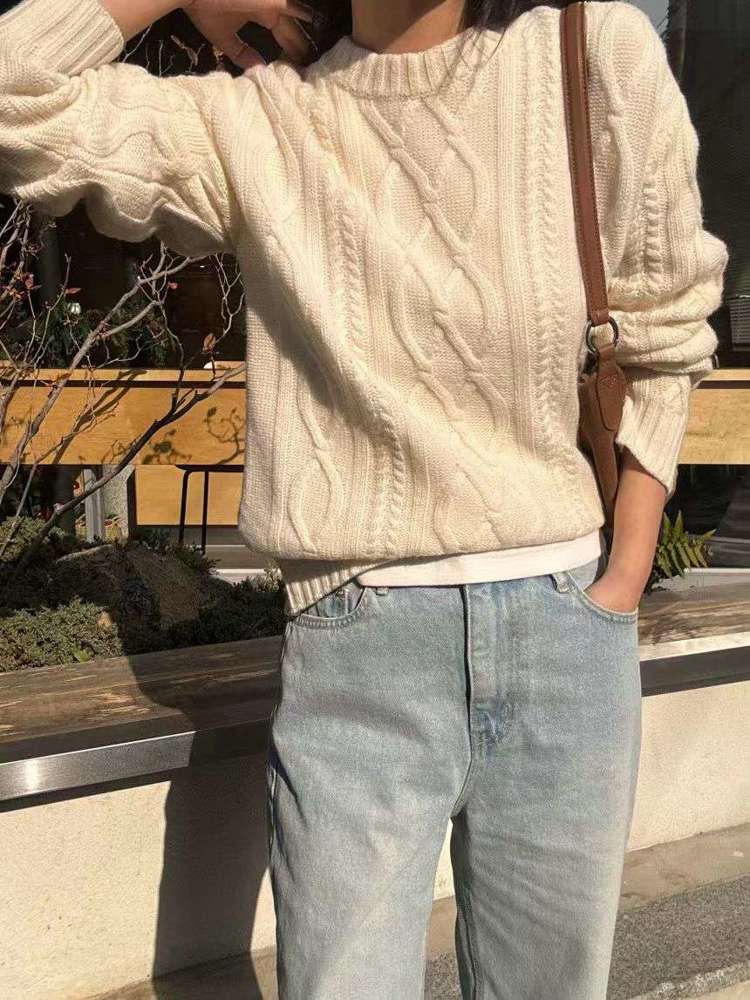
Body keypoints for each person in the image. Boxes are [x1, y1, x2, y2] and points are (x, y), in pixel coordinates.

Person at [0, 0, 729, 996]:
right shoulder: (261, 119)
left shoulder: (588, 52)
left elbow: (665, 317)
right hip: (358, 642)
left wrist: (627, 567)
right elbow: (16, 94)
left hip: (567, 631)